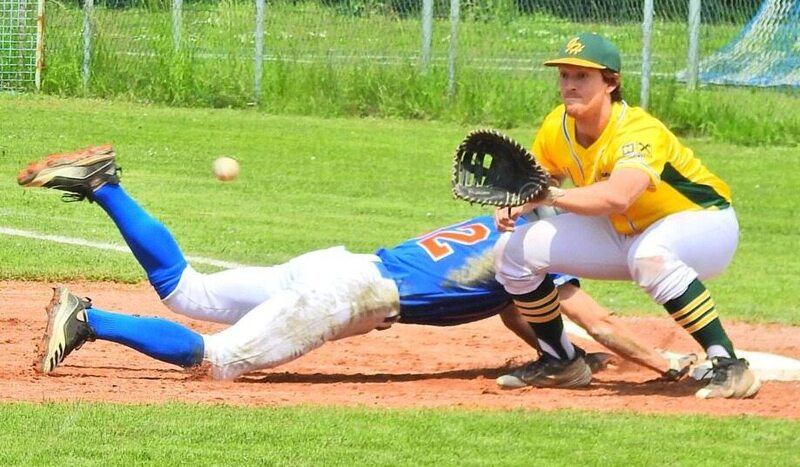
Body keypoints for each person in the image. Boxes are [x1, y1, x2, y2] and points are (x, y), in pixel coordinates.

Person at [19, 145, 692, 381]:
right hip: (348, 298)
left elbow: (525, 315)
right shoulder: (546, 249)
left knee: (186, 289)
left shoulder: (509, 226)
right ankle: (91, 318)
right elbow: (597, 318)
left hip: (336, 265)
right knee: (216, 360)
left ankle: (106, 184)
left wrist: (558, 353)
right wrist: (664, 363)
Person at [491, 32, 760, 399]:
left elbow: (618, 197)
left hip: (704, 225)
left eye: (582, 77)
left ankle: (729, 364)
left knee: (649, 255)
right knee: (512, 251)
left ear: (611, 82)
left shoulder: (638, 131)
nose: (569, 86)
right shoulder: (558, 125)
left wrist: (549, 195)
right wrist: (516, 201)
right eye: (565, 76)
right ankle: (561, 361)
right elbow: (541, 178)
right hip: (626, 232)